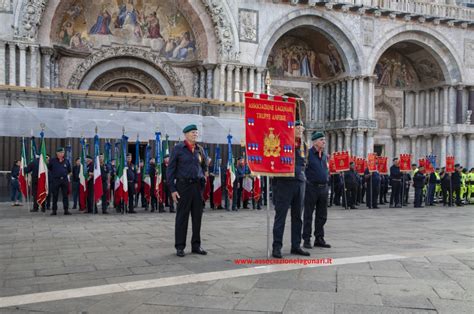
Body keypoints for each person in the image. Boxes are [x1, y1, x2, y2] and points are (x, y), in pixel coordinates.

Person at [167, 124, 208, 257]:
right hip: (183, 187)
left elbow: (204, 166)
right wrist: (173, 190)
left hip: (197, 187)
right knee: (182, 217)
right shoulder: (178, 149)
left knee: (197, 218)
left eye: (196, 132)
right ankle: (180, 246)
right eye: (192, 132)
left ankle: (196, 245)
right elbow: (170, 170)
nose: (195, 134)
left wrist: (204, 178)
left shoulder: (200, 149)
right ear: (185, 135)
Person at [271, 121, 310, 258]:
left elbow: (306, 164)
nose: (300, 130)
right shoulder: (283, 143)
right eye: (297, 127)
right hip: (284, 183)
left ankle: (296, 245)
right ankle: (277, 247)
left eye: (302, 128)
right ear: (291, 129)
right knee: (280, 216)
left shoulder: (304, 146)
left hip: (299, 183)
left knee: (297, 217)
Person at [303, 131, 331, 249]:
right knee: (308, 215)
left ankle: (319, 238)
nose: (324, 142)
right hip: (311, 188)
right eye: (321, 140)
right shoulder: (308, 154)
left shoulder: (324, 155)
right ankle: (306, 239)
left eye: (324, 140)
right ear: (315, 142)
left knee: (322, 215)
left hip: (323, 188)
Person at [48, 147, 72, 215]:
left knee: (65, 195)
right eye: (60, 152)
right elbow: (49, 168)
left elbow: (69, 171)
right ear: (57, 153)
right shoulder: (53, 161)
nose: (62, 154)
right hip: (56, 180)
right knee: (55, 195)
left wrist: (67, 176)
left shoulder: (66, 161)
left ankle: (66, 210)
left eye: (63, 153)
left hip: (64, 180)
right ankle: (54, 210)